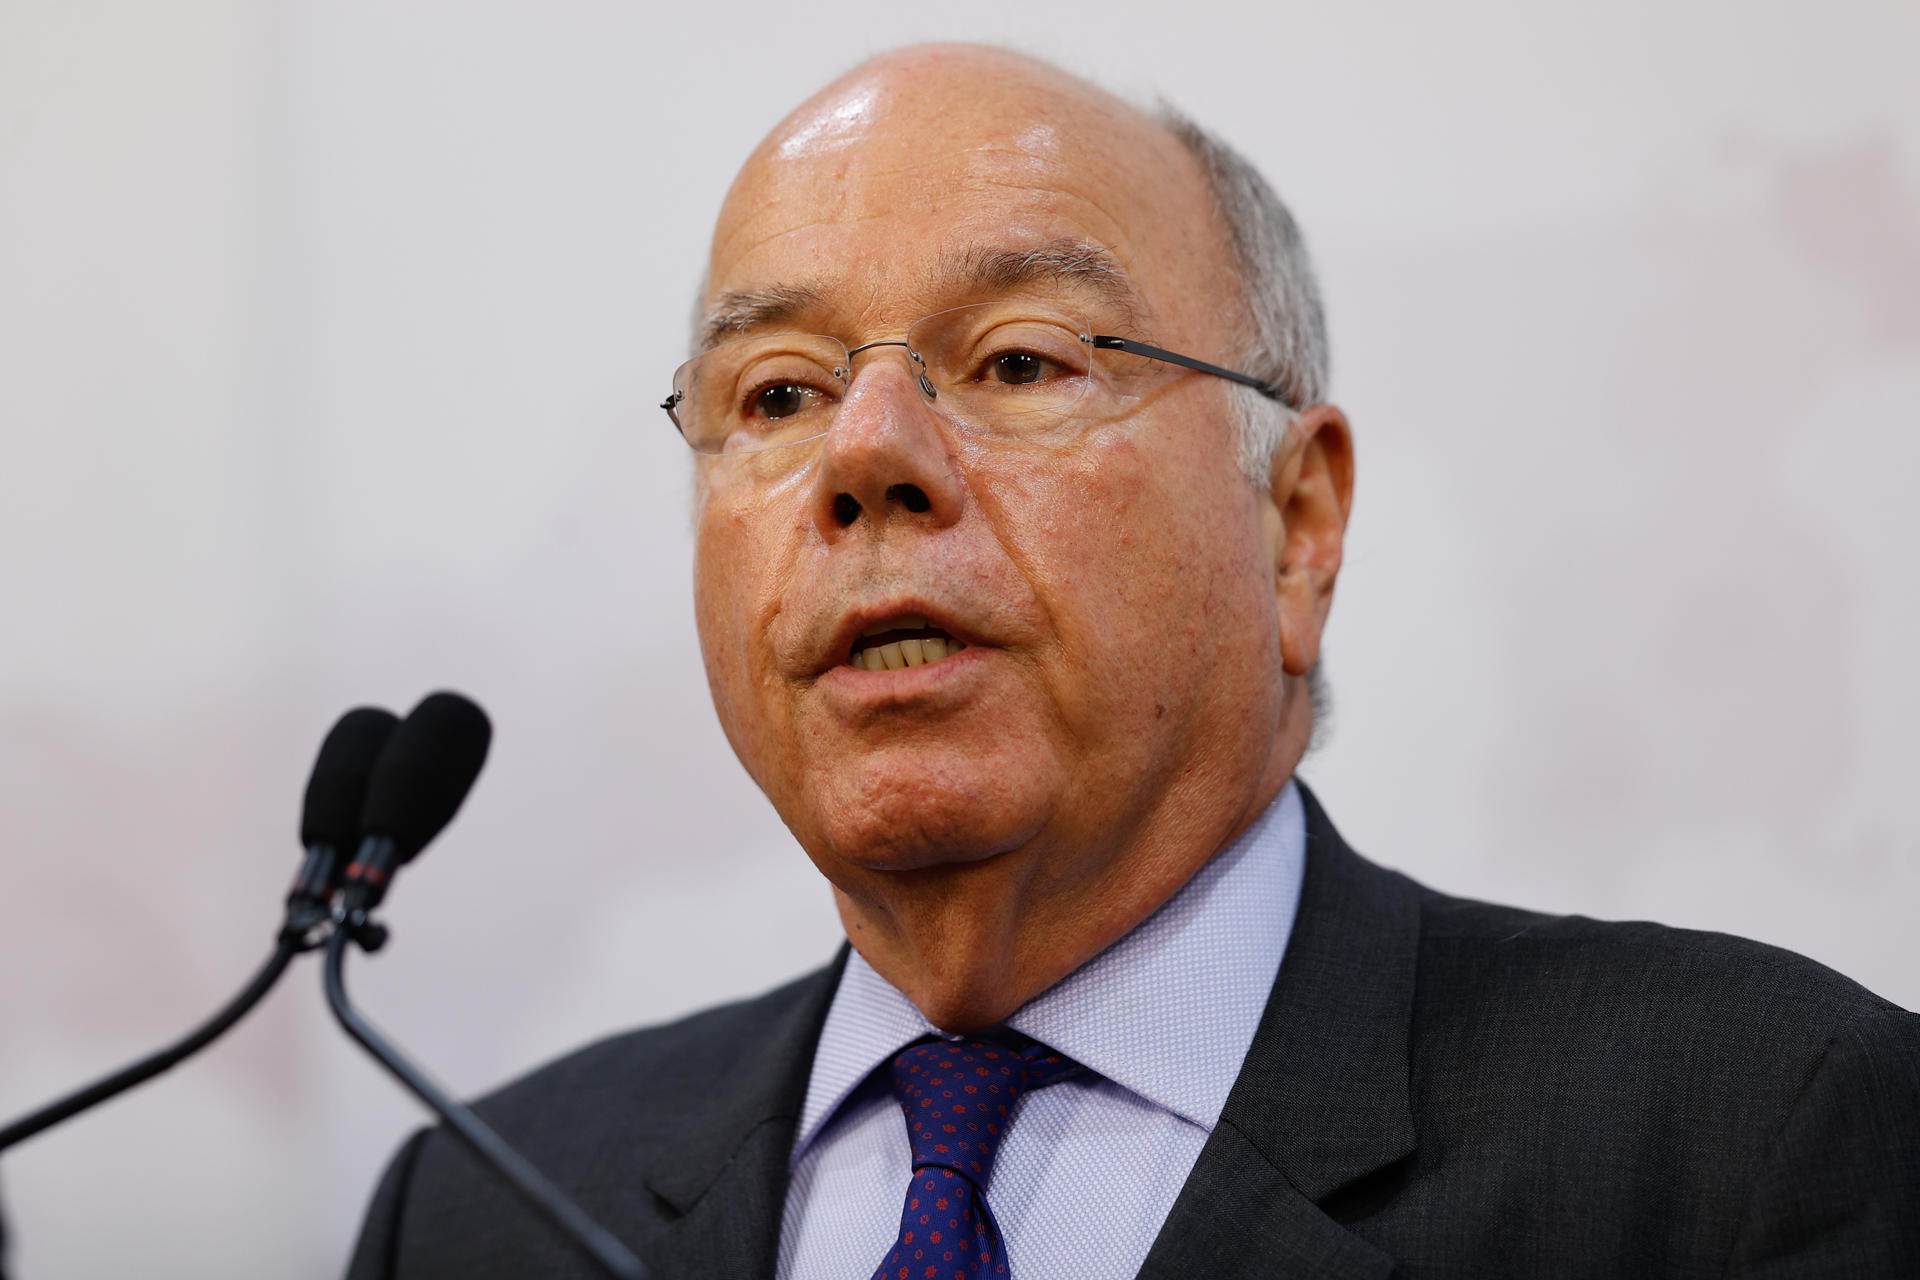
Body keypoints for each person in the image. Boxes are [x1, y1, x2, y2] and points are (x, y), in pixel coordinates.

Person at [344, 44, 1920, 1280]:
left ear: (1296, 523)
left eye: (1021, 360)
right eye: (774, 395)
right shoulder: (489, 1212)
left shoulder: (1748, 1145)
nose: (867, 454)